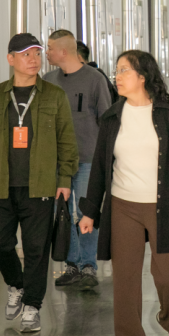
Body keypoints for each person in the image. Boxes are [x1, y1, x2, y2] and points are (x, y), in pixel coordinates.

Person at [78, 50, 169, 336]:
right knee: (126, 282)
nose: (117, 76)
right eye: (117, 70)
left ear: (143, 76)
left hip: (166, 204)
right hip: (123, 206)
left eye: (124, 70)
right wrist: (90, 211)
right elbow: (100, 168)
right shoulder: (112, 117)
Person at [0, 33, 78, 333]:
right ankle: (17, 284)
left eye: (37, 53)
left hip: (41, 186)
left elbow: (67, 141)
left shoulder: (54, 96)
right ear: (11, 59)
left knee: (36, 249)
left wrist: (65, 179)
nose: (33, 59)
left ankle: (32, 306)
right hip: (1, 185)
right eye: (26, 54)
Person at [44, 30, 112, 288]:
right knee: (61, 213)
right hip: (57, 161)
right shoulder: (48, 80)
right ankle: (72, 264)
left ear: (63, 52)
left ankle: (88, 266)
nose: (46, 53)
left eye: (50, 48)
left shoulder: (95, 79)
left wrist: (106, 159)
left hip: (87, 159)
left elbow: (106, 120)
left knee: (86, 212)